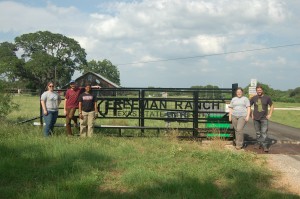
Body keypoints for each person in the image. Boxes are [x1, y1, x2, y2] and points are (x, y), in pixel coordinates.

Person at [250, 85, 274, 152]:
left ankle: (264, 145)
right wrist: (251, 114)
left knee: (264, 133)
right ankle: (258, 143)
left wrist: (270, 114)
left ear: (262, 90)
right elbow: (248, 106)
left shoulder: (267, 98)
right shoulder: (254, 98)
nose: (259, 91)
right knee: (258, 132)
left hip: (264, 118)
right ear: (256, 91)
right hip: (256, 118)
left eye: (260, 90)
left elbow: (272, 105)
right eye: (258, 90)